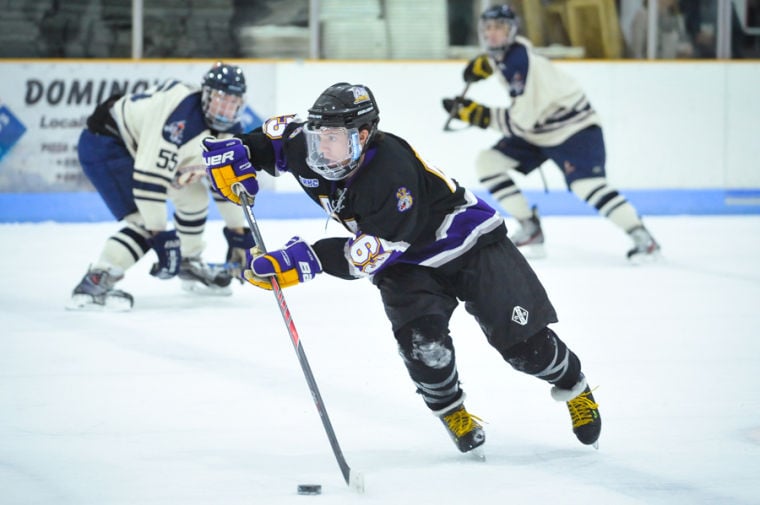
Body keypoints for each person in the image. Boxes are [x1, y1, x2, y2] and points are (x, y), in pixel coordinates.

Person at [201, 82, 602, 454]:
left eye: (334, 140)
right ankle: (451, 411)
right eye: (319, 137)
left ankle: (574, 386)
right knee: (425, 348)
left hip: (467, 244)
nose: (323, 150)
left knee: (527, 351)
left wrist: (307, 259)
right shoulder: (308, 141)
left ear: (362, 136)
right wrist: (237, 152)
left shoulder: (392, 175)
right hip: (408, 265)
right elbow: (270, 141)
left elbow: (373, 251)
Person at [442, 4, 661, 261]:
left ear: (511, 31)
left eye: (499, 28)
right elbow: (527, 119)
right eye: (488, 28)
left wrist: (480, 115)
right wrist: (488, 64)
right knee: (488, 163)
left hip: (573, 130)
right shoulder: (507, 55)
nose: (492, 34)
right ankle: (530, 228)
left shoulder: (520, 64)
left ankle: (643, 238)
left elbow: (522, 122)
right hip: (540, 130)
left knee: (586, 186)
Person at [68, 62, 256, 311]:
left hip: (138, 147)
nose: (226, 108)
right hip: (108, 143)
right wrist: (160, 237)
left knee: (194, 197)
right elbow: (149, 184)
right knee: (144, 222)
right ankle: (96, 280)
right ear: (206, 95)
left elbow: (224, 183)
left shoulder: (230, 130)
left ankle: (188, 262)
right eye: (221, 98)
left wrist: (238, 233)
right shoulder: (178, 115)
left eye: (233, 102)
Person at [630, 0, 694, 58]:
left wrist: (683, 49)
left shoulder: (676, 18)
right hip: (649, 67)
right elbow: (637, 52)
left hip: (673, 68)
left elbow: (685, 44)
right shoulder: (642, 16)